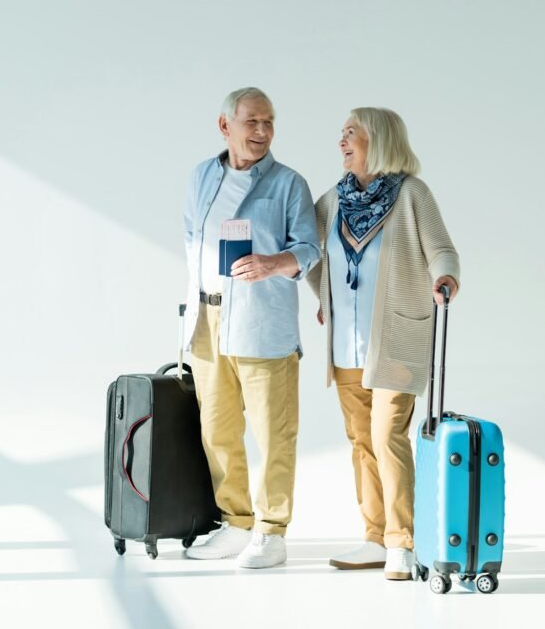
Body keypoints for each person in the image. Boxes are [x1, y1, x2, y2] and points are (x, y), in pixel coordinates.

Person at [306, 107, 460, 580]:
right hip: (345, 347)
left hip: (395, 338)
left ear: (379, 139)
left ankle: (402, 543)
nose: (342, 141)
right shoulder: (331, 201)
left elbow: (441, 248)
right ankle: (374, 537)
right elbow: (314, 257)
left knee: (386, 436)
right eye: (342, 133)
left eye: (352, 132)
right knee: (361, 442)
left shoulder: (412, 194)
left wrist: (445, 278)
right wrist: (323, 299)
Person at [182, 87, 319, 568]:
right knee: (217, 429)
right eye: (252, 123)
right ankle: (236, 522)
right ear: (226, 126)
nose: (262, 132)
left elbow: (309, 249)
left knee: (273, 432)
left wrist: (272, 263)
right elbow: (190, 241)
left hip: (262, 320)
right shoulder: (202, 176)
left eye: (269, 123)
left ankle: (272, 531)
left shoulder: (288, 184)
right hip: (207, 317)